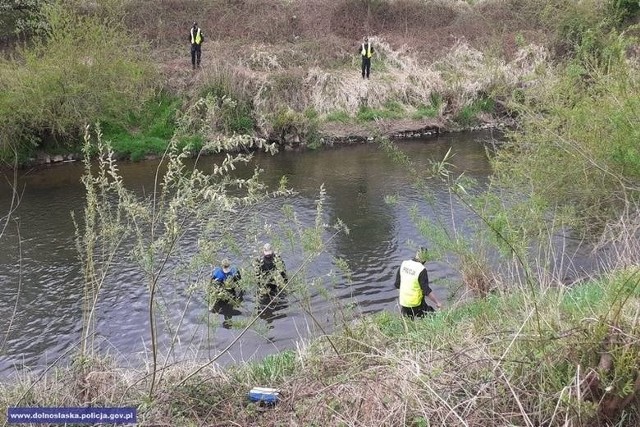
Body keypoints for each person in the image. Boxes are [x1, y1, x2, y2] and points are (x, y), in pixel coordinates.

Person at [394, 247, 442, 319]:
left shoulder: (404, 264)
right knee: (433, 315)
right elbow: (426, 290)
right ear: (425, 258)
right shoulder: (421, 269)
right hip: (416, 304)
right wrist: (438, 303)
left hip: (404, 302)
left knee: (407, 322)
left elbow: (397, 285)